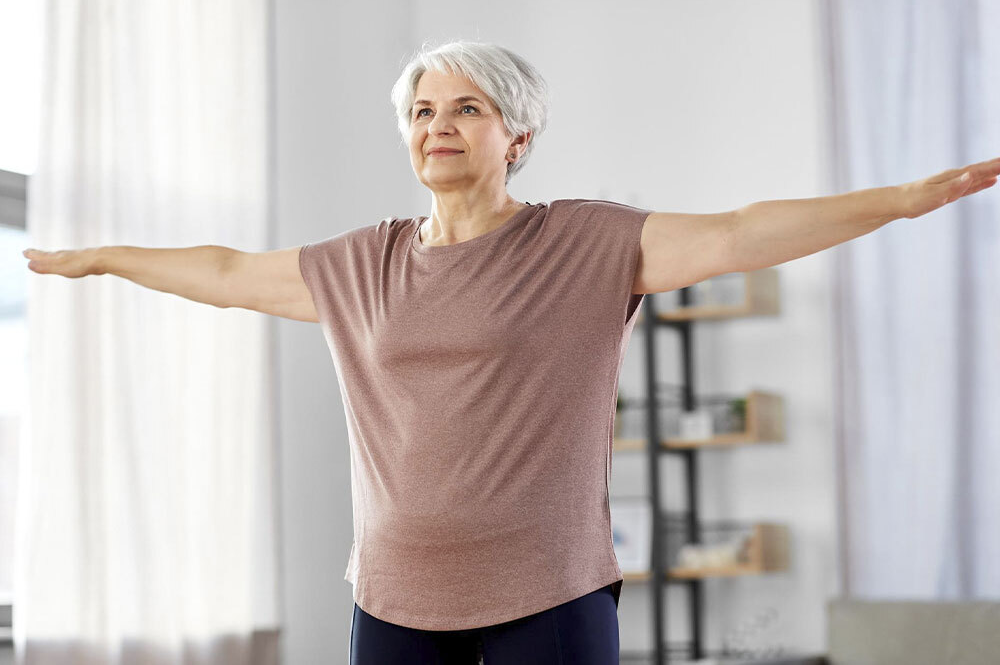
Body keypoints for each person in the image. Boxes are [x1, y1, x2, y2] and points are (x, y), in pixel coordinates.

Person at [21, 39, 1000, 665]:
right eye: (422, 112)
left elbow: (743, 232)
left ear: (516, 134)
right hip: (395, 595)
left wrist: (907, 198)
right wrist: (105, 256)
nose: (438, 127)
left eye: (466, 109)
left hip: (550, 591)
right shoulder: (361, 262)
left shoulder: (585, 243)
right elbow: (230, 268)